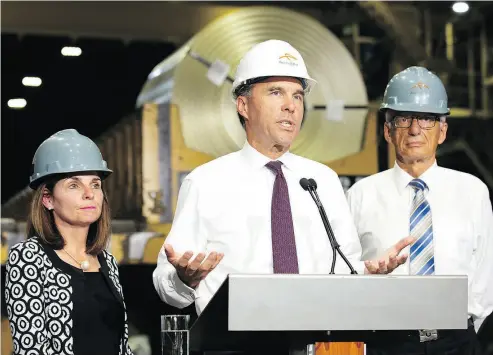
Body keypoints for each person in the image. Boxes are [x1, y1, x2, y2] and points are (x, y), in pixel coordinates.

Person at [152, 39, 414, 319]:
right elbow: (167, 285)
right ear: (243, 105)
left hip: (314, 339)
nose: (291, 106)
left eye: (298, 96)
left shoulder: (322, 181)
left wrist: (367, 272)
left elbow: (343, 270)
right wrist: (186, 279)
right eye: (276, 93)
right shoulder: (206, 183)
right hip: (237, 344)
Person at [347, 66, 493, 354]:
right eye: (403, 119)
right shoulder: (359, 195)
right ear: (388, 131)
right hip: (385, 343)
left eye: (427, 119)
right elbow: (346, 273)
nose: (415, 129)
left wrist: (465, 328)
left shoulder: (472, 191)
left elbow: (484, 272)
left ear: (443, 131)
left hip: (457, 342)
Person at [5, 129, 133, 355]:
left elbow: (120, 346)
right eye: (74, 185)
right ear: (47, 199)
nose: (89, 194)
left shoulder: (107, 261)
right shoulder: (28, 258)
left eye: (95, 184)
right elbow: (31, 350)